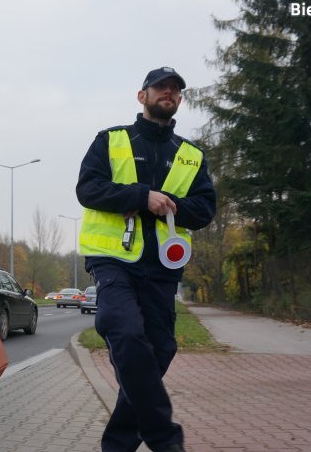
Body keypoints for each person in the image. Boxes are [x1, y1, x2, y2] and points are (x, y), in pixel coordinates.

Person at [76, 67, 216, 452]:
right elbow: (88, 189)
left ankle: (118, 445)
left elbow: (205, 210)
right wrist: (143, 196)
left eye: (174, 90)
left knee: (160, 350)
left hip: (162, 268)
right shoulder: (111, 140)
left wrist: (169, 207)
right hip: (112, 260)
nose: (168, 93)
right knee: (121, 328)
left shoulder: (191, 155)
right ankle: (164, 438)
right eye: (160, 87)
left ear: (180, 100)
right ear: (142, 96)